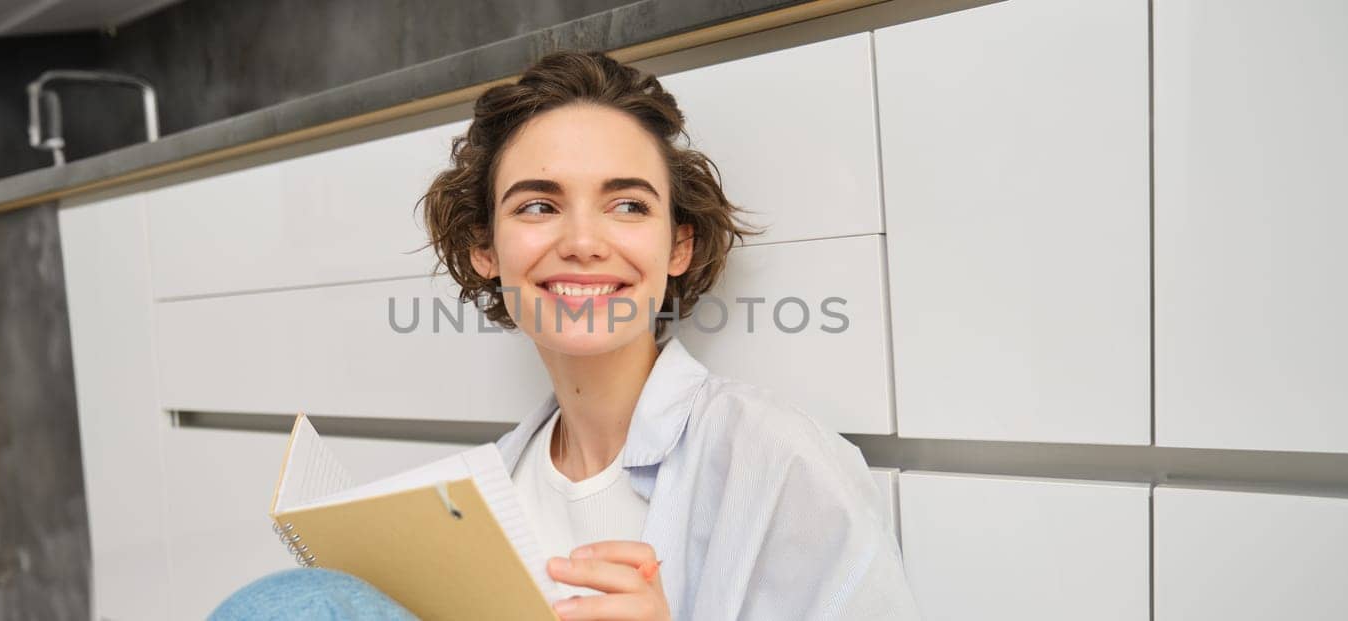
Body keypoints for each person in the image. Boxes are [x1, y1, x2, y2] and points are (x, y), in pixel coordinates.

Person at [214, 49, 918, 620]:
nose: (583, 241)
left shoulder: (778, 463)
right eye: (540, 204)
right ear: (485, 248)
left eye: (627, 204)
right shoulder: (482, 495)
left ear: (678, 246)